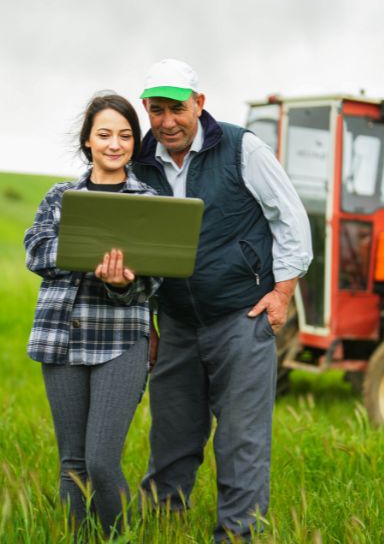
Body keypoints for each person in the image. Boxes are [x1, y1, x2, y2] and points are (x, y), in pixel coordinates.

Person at [133, 59, 312, 542]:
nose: (167, 121)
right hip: (175, 320)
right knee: (171, 433)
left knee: (241, 438)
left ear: (200, 104)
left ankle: (236, 534)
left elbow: (290, 220)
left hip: (241, 315)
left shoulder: (240, 148)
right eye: (156, 110)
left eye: (177, 108)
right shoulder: (139, 162)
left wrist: (281, 293)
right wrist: (147, 320)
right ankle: (159, 527)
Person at [24, 92, 161, 537]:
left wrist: (121, 283)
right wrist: (88, 254)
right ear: (88, 141)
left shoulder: (150, 202)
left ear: (134, 144)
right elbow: (36, 252)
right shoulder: (60, 197)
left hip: (121, 339)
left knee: (101, 461)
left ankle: (119, 537)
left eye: (124, 135)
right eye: (104, 134)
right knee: (72, 466)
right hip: (60, 338)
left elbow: (154, 280)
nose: (114, 144)